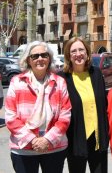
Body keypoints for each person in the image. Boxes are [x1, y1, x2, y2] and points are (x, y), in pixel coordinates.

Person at [5, 41, 71, 173]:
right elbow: (11, 117)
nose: (40, 59)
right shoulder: (17, 82)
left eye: (44, 55)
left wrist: (47, 139)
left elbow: (65, 115)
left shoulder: (59, 82)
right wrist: (33, 140)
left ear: (49, 58)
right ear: (28, 60)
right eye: (35, 56)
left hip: (54, 147)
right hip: (23, 149)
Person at [57, 37, 109, 173]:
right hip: (75, 139)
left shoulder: (96, 73)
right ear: (68, 55)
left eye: (81, 50)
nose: (78, 54)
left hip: (98, 138)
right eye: (73, 51)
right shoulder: (62, 78)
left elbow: (104, 104)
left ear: (87, 53)